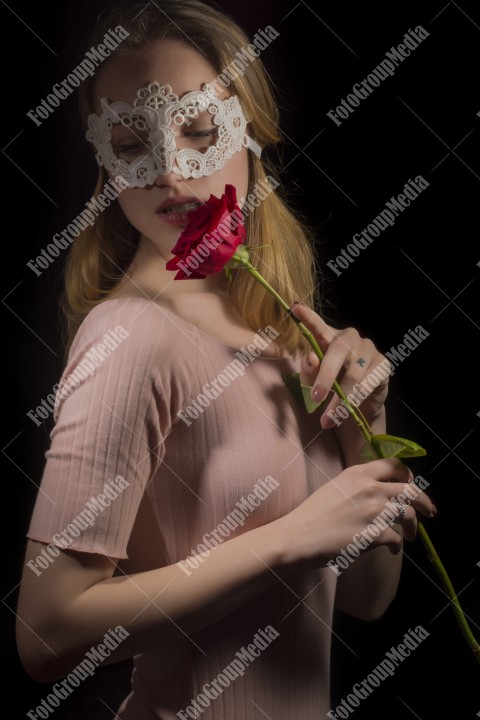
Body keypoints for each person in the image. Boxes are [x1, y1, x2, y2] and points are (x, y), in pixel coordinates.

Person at [16, 1, 436, 718]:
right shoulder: (129, 338)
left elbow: (369, 598)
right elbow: (46, 633)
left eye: (201, 130)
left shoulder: (284, 335)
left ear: (253, 135)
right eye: (130, 141)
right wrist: (294, 537)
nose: (173, 172)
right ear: (103, 163)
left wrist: (363, 427)